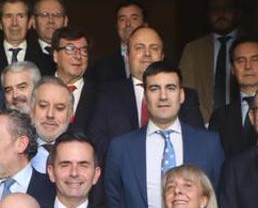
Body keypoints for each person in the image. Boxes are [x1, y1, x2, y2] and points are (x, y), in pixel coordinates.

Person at [104, 63, 223, 208]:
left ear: (181, 95)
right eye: (154, 89)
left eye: (171, 88)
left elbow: (217, 199)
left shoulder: (209, 144)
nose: (163, 96)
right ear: (145, 97)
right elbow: (112, 205)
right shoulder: (121, 147)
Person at [87, 26, 205, 156]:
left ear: (162, 56)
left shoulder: (186, 96)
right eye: (139, 48)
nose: (147, 54)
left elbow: (197, 142)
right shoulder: (106, 94)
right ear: (127, 55)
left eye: (154, 48)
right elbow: (96, 139)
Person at [179, 0, 240, 119]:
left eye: (227, 8)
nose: (221, 13)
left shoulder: (251, 46)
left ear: (236, 11)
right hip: (203, 124)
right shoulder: (193, 49)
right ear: (207, 13)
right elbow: (184, 93)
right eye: (215, 9)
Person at [0, 0, 50, 84]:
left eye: (20, 16)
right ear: (0, 24)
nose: (14, 23)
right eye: (8, 16)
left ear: (30, 22)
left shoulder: (47, 62)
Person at [50, 26, 98, 132]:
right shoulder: (38, 89)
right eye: (70, 49)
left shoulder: (101, 96)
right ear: (55, 55)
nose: (78, 56)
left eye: (83, 51)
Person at [90, 0, 146, 85]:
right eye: (122, 19)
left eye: (134, 18)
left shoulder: (160, 62)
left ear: (145, 25)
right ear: (116, 26)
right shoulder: (101, 67)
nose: (128, 24)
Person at [28, 76, 73, 172]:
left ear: (70, 114)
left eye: (59, 108)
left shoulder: (82, 151)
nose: (50, 115)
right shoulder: (15, 150)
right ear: (31, 109)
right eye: (43, 106)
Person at [29, 0, 67, 73]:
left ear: (65, 21)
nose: (51, 20)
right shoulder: (23, 56)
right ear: (33, 22)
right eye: (44, 15)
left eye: (57, 15)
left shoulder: (77, 54)